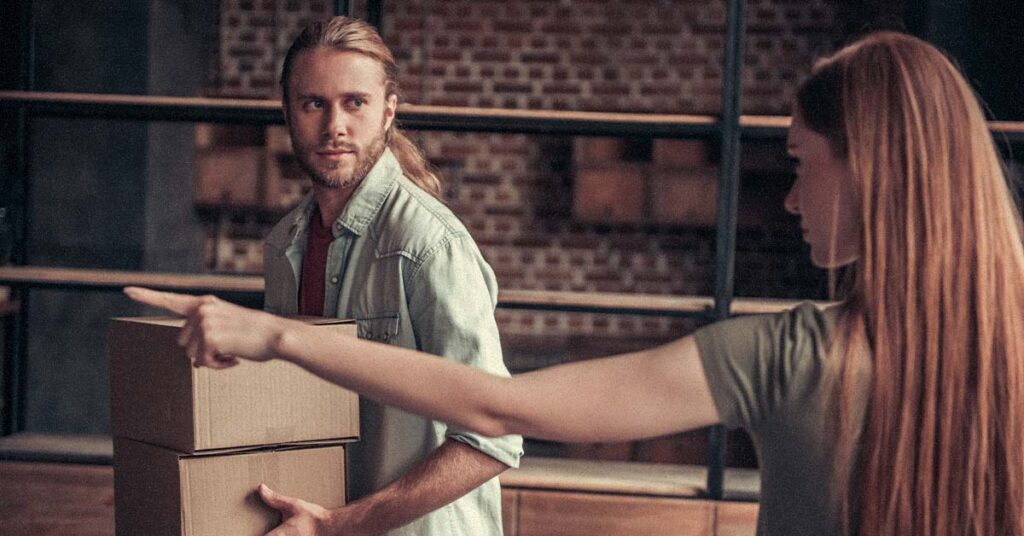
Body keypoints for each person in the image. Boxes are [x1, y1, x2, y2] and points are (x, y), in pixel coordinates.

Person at [128, 31, 1024, 535]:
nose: (788, 197)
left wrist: (275, 335)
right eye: (312, 103)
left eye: (798, 164)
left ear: (871, 169)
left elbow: (499, 410)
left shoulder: (787, 355)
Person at [239, 16, 522, 536]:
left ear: (388, 110)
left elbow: (494, 440)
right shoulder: (285, 246)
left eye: (355, 103)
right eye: (313, 104)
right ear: (287, 112)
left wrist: (342, 524)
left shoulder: (430, 246)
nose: (334, 127)